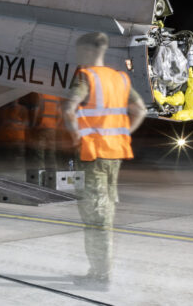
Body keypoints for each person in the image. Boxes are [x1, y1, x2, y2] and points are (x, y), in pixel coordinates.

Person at [61, 32, 146, 290]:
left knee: (95, 219)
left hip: (92, 155)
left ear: (87, 51)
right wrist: (123, 134)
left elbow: (69, 108)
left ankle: (100, 276)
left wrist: (76, 135)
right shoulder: (120, 78)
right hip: (114, 155)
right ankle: (98, 272)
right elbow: (140, 110)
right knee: (105, 210)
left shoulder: (85, 77)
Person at [21, 92, 61, 179]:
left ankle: (41, 181)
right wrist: (54, 125)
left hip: (40, 128)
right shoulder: (55, 96)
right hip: (51, 129)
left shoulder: (39, 94)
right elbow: (59, 114)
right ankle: (52, 179)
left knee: (39, 155)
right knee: (51, 155)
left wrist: (33, 125)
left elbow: (36, 110)